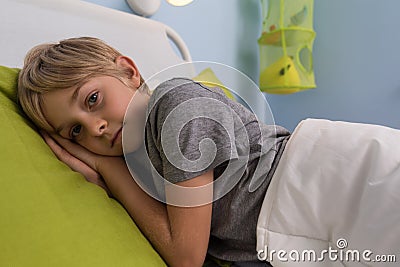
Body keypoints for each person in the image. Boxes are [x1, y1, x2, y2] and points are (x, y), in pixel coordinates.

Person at [18, 37, 400, 267]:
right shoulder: (144, 166)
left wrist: (105, 170)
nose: (95, 128)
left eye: (93, 99)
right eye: (75, 131)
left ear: (129, 70)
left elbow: (186, 256)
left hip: (351, 183)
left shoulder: (176, 109)